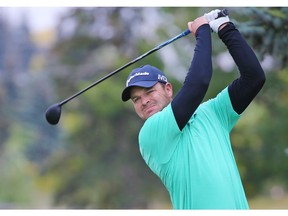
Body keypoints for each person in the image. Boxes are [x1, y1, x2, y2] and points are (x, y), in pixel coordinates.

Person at [121, 9, 266, 209]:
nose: (143, 101)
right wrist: (202, 31)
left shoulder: (212, 113)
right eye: (136, 99)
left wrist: (225, 27)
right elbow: (198, 83)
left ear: (168, 89)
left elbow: (254, 78)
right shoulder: (151, 133)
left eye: (149, 92)